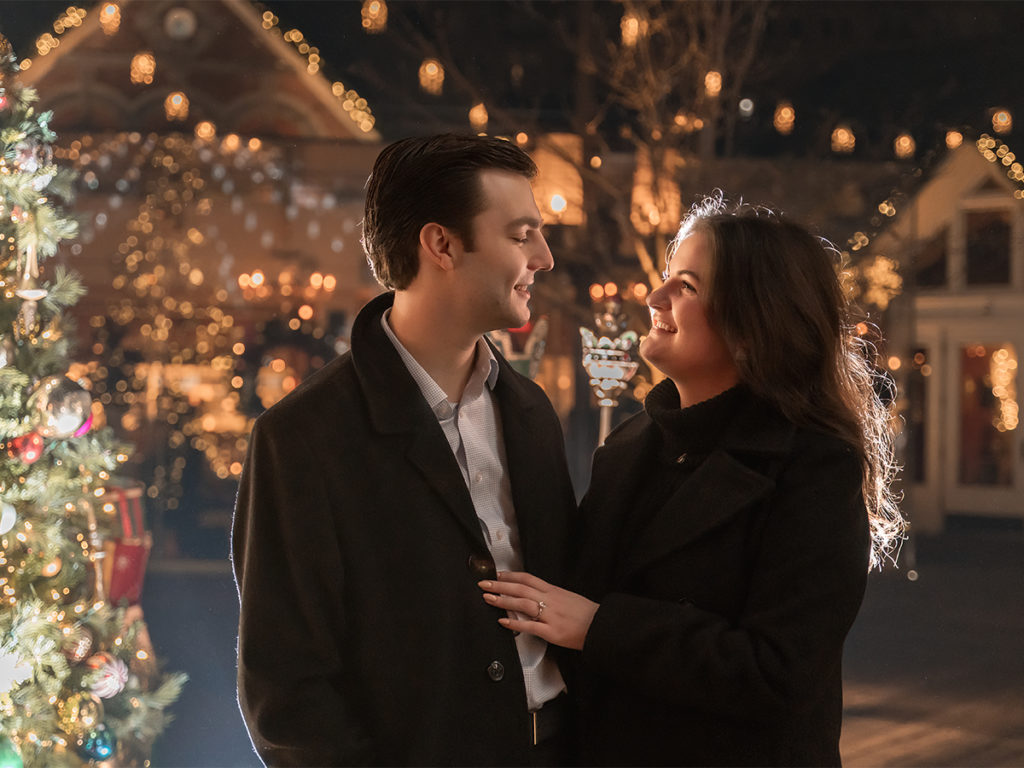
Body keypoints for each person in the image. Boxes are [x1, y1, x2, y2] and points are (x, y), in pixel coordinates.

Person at [479, 196, 904, 766]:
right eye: (665, 279)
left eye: (687, 286)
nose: (655, 299)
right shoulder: (629, 448)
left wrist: (603, 628)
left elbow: (780, 672)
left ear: (754, 324)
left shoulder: (813, 466)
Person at [232, 134, 577, 766]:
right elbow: (287, 695)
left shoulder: (531, 413)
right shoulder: (302, 438)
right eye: (521, 234)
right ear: (441, 244)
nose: (545, 257)